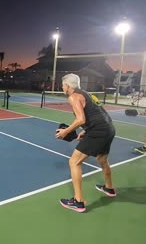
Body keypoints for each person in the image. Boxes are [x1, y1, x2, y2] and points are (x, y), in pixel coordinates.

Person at [56, 73, 116, 213]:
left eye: (63, 84)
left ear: (68, 86)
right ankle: (109, 188)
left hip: (98, 132)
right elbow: (96, 113)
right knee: (102, 159)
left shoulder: (73, 97)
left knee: (74, 162)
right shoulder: (86, 94)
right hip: (108, 129)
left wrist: (66, 132)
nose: (62, 87)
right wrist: (86, 131)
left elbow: (81, 119)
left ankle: (78, 201)